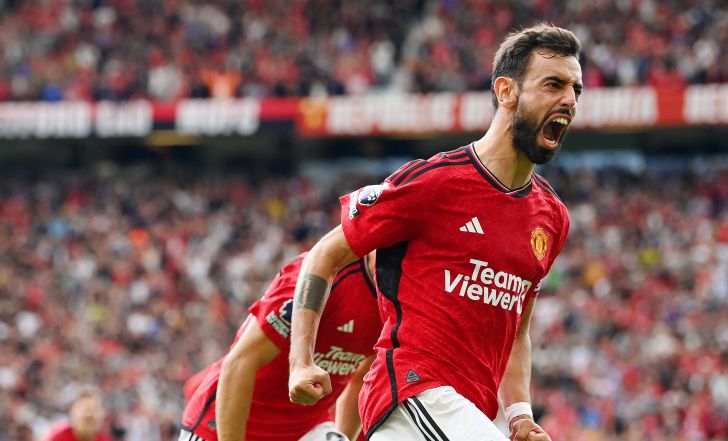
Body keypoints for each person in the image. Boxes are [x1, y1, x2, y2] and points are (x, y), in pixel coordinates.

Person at [288, 23, 582, 441]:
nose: (569, 100)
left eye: (576, 90)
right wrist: (301, 362)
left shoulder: (552, 217)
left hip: (459, 412)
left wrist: (519, 415)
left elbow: (517, 329)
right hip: (410, 393)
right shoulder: (435, 182)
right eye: (553, 84)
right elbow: (324, 255)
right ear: (506, 91)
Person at [180, 252, 381, 441]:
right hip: (224, 430)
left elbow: (361, 379)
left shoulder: (394, 300)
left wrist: (344, 435)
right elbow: (239, 363)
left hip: (306, 430)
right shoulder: (318, 275)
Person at [42, 386, 113, 441]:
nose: (89, 414)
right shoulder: (57, 437)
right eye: (85, 409)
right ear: (73, 412)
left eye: (94, 409)